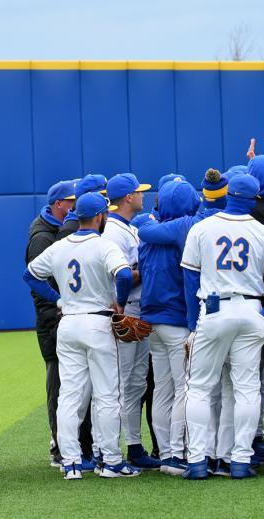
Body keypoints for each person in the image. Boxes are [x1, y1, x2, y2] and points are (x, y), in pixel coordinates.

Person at [179, 174, 264, 480]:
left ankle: (197, 462)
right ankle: (240, 462)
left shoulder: (202, 227)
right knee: (246, 390)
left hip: (214, 307)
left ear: (227, 195)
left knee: (200, 388)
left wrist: (193, 324)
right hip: (251, 309)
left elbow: (190, 278)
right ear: (253, 200)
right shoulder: (261, 230)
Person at [24, 191, 140, 480]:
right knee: (107, 394)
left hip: (69, 323)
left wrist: (59, 299)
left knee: (70, 395)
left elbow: (29, 275)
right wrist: (121, 303)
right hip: (97, 323)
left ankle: (71, 462)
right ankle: (111, 461)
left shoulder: (60, 246)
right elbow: (125, 275)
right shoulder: (104, 245)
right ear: (100, 216)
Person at [139, 177, 200, 475]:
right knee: (183, 388)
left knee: (162, 389)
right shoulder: (185, 228)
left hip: (152, 320)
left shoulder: (148, 232)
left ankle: (164, 452)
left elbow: (145, 226)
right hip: (176, 320)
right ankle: (177, 454)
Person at [27, 181, 88, 468]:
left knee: (69, 382)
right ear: (58, 204)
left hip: (64, 316)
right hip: (53, 318)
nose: (74, 205)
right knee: (58, 382)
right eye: (70, 200)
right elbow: (37, 281)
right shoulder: (42, 236)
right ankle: (58, 445)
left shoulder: (59, 229)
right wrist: (57, 305)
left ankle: (72, 443)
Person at [104, 173, 160, 469]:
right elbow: (120, 275)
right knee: (122, 382)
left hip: (139, 309)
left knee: (137, 381)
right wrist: (146, 271)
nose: (143, 196)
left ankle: (135, 446)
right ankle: (109, 450)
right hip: (124, 311)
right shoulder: (113, 231)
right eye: (138, 192)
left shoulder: (128, 228)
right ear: (127, 197)